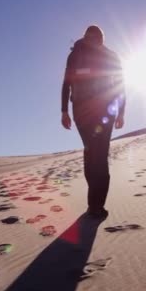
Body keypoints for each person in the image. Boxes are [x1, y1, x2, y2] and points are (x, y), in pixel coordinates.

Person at [60, 25, 126, 218]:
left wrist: (121, 112)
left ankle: (95, 205)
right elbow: (66, 84)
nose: (96, 42)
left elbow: (121, 86)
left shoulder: (111, 56)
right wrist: (64, 111)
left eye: (98, 39)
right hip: (84, 111)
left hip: (102, 110)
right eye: (93, 39)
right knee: (95, 153)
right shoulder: (76, 55)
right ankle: (95, 205)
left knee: (96, 153)